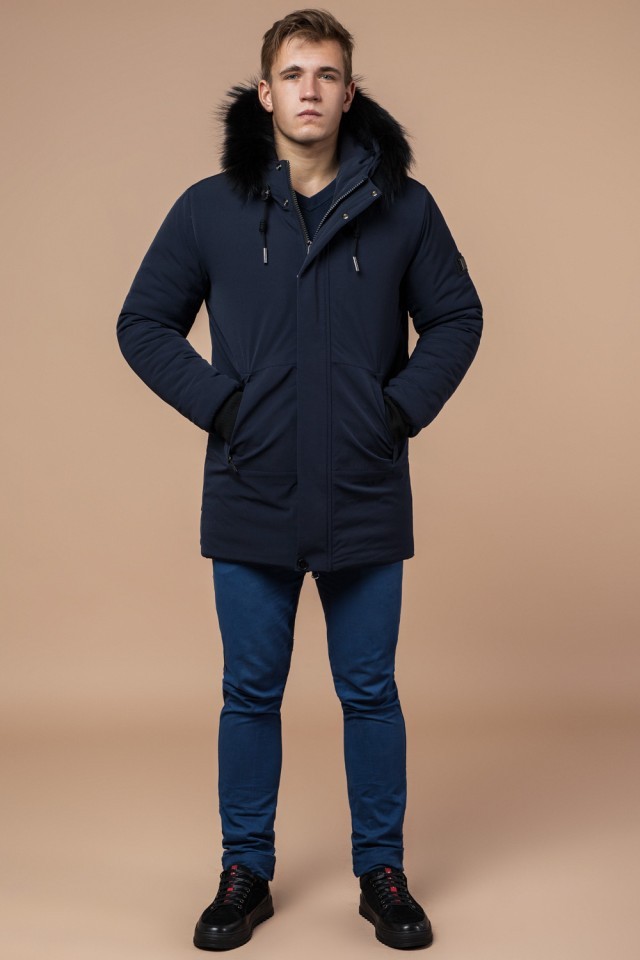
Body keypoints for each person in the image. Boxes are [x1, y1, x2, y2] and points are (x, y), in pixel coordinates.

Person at [116, 8, 483, 951]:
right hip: (251, 486)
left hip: (363, 487)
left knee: (370, 691)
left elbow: (457, 317)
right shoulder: (209, 209)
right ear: (265, 91)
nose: (309, 90)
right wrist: (222, 408)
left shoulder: (404, 206)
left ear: (349, 93)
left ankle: (382, 873)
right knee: (250, 692)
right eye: (293, 74)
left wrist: (397, 412)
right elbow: (144, 323)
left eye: (326, 74)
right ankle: (245, 872)